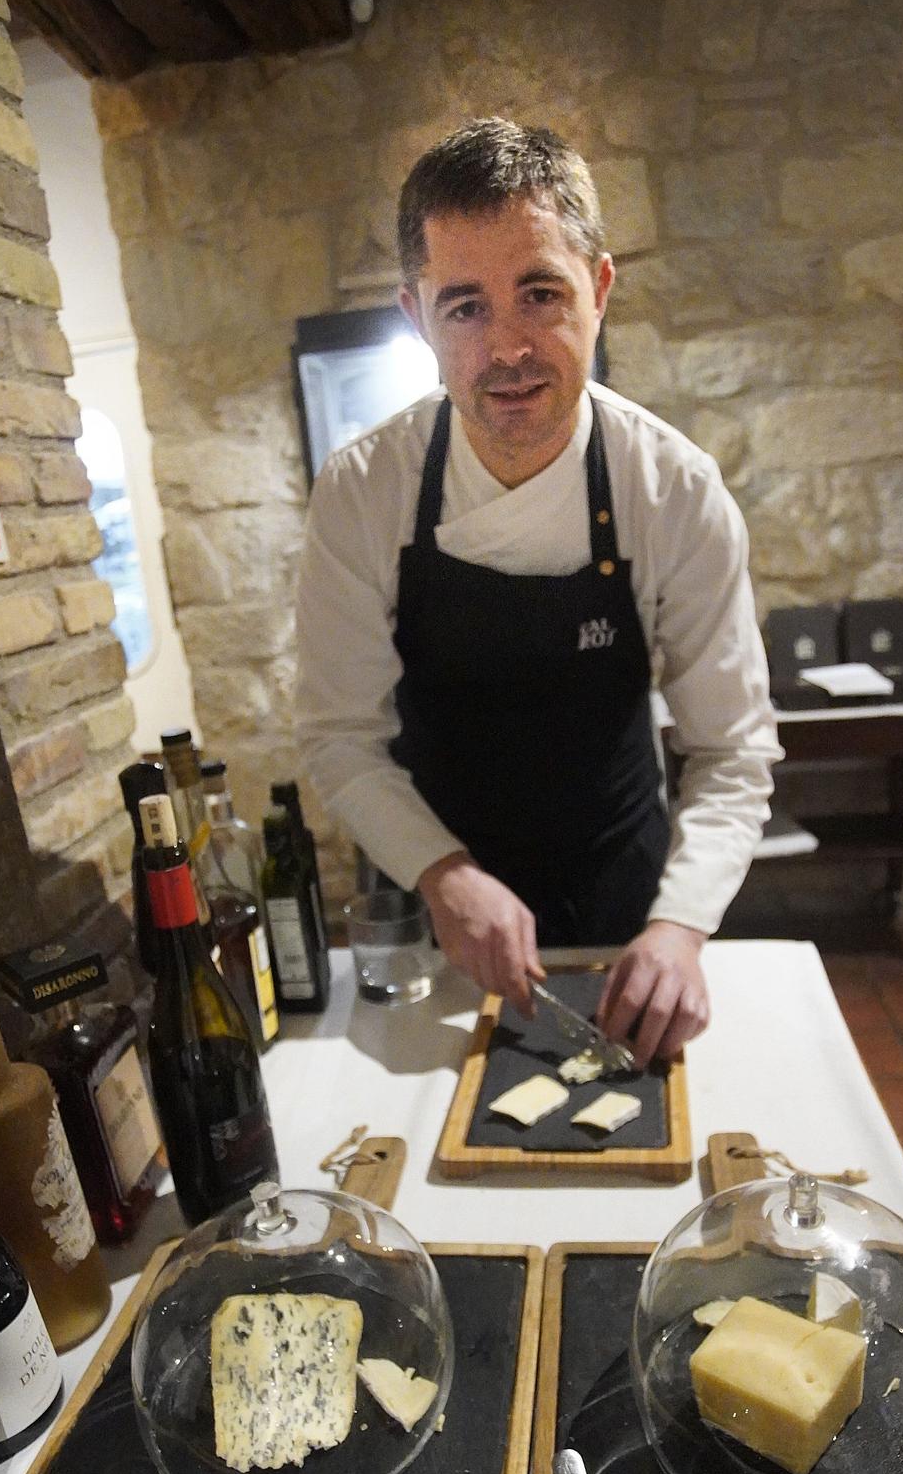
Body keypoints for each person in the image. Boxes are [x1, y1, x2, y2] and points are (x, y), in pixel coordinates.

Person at [295, 119, 780, 1065]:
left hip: (622, 900)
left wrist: (680, 927)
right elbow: (339, 739)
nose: (508, 348)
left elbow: (729, 751)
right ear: (414, 316)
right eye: (465, 307)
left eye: (541, 294)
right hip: (426, 901)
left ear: (598, 290)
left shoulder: (670, 490)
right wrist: (442, 874)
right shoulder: (364, 490)